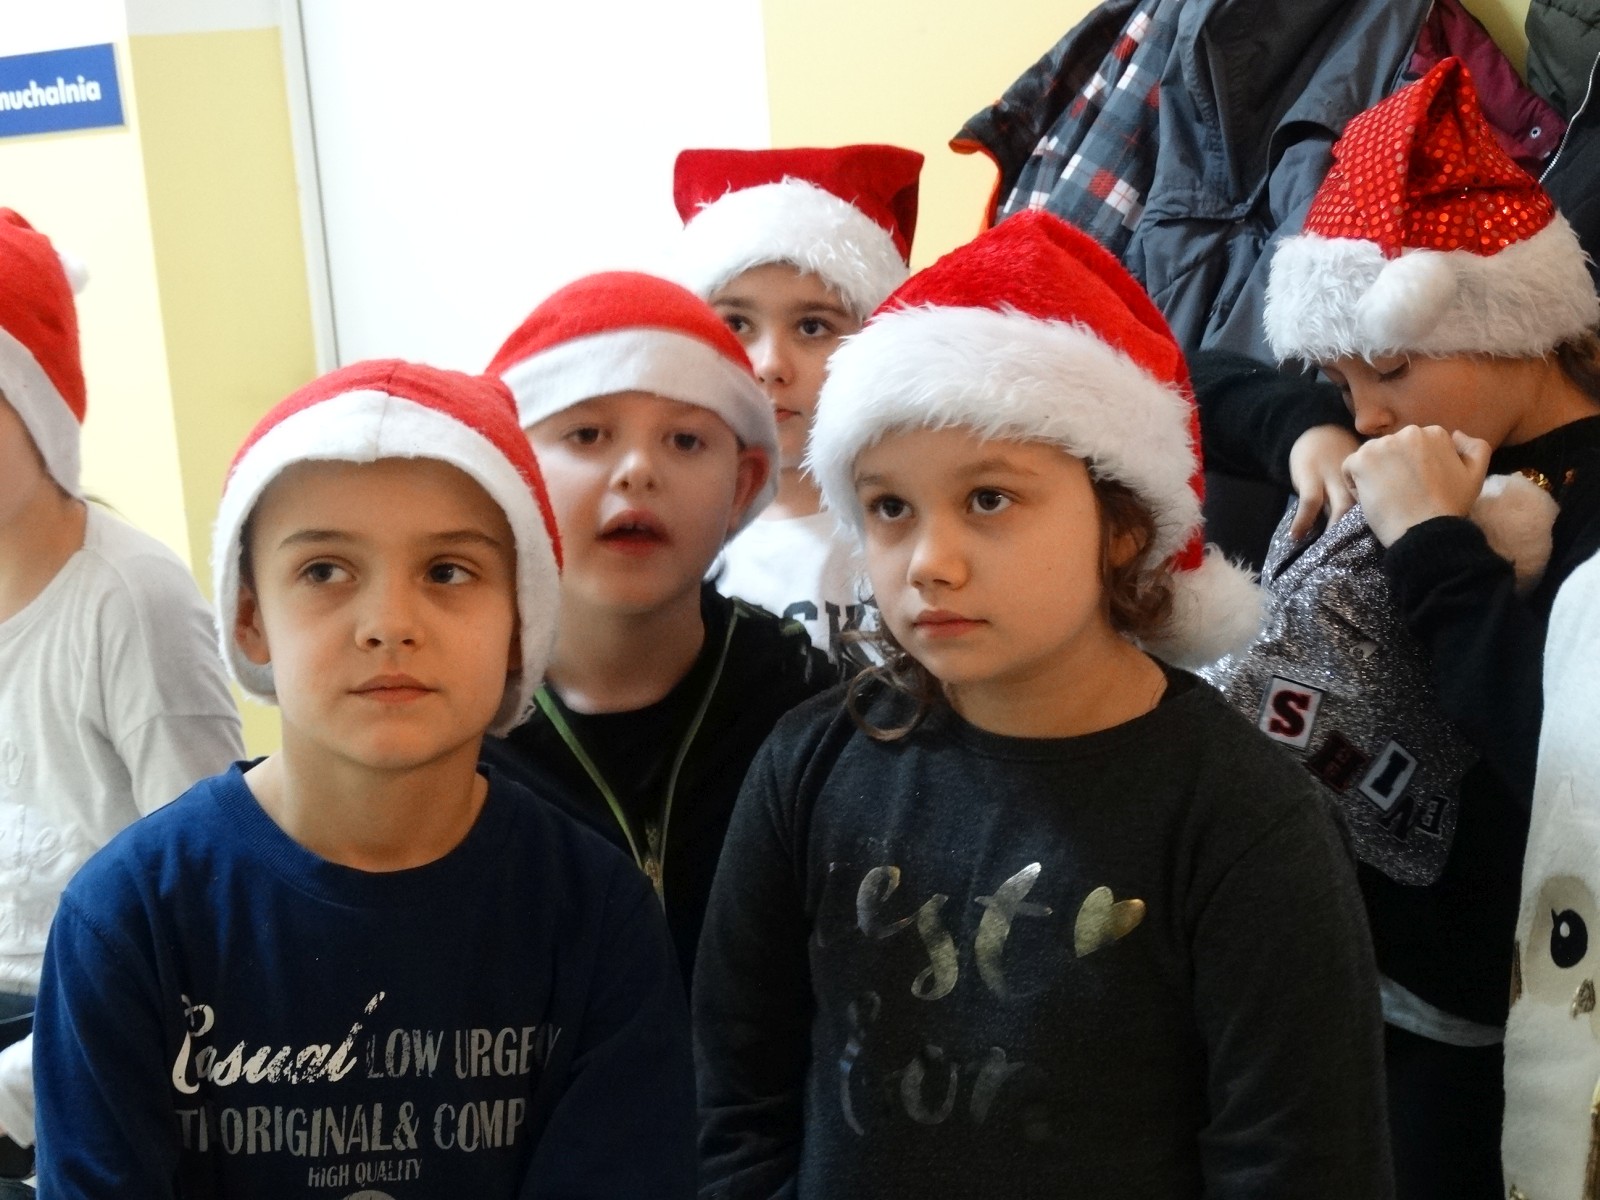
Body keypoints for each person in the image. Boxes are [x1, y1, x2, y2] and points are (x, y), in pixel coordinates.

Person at [693, 210, 1392, 1199]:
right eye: (890, 507)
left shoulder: (1244, 818)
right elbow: (737, 1104)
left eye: (988, 499)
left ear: (1122, 525)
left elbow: (1300, 1163)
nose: (929, 561)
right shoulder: (807, 768)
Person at [32, 361, 697, 1198]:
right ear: (250, 617)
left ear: (522, 620)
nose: (388, 625)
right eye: (324, 571)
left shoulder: (595, 914)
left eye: (448, 571)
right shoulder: (129, 920)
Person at [1197, 58, 1600, 1200]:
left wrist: (1430, 544)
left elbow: (1556, 754)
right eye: (1341, 378)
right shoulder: (1382, 429)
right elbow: (1201, 373)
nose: (1369, 410)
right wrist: (1307, 432)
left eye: (1386, 369)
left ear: (1516, 324)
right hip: (1320, 948)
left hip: (1485, 1010)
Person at [481, 273, 833, 985]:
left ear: (741, 485)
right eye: (588, 434)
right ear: (513, 473)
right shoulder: (459, 716)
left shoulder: (805, 703)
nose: (638, 471)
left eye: (685, 440)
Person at [0, 209, 242, 1179]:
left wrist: (19, 1088)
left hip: (93, 1041)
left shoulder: (133, 599)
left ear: (42, 413)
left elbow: (208, 905)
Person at [672, 144, 923, 660]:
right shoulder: (678, 535)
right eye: (737, 324)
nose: (770, 365)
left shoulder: (915, 525)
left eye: (812, 327)